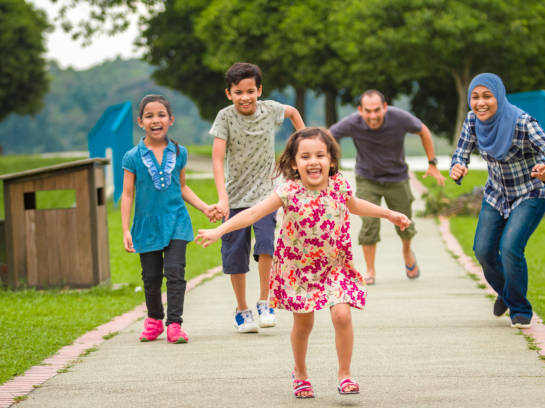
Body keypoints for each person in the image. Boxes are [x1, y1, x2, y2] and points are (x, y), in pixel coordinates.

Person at [196, 127, 410, 398]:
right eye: (305, 156)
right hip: (300, 272)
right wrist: (219, 231)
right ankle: (300, 372)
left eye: (320, 155)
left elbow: (355, 205)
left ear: (331, 161)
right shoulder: (288, 192)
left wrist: (389, 214)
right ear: (294, 164)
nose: (313, 161)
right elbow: (252, 213)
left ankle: (345, 374)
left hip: (335, 267)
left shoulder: (339, 185)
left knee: (342, 314)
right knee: (303, 325)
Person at [450, 73, 545, 329]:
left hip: (531, 192)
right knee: (482, 250)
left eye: (487, 96)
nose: (480, 103)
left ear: (499, 97)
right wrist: (457, 166)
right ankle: (507, 294)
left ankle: (520, 310)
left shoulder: (522, 123)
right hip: (497, 193)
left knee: (511, 247)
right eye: (475, 97)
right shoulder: (472, 120)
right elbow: (461, 152)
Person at [210, 62, 305, 333]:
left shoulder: (270, 110)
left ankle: (266, 301)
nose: (245, 97)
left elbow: (293, 112)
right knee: (235, 257)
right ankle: (242, 310)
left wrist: (304, 142)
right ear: (229, 93)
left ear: (259, 90)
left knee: (266, 245)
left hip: (266, 194)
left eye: (250, 91)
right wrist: (222, 198)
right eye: (238, 92)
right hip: (235, 197)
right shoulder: (225, 117)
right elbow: (217, 160)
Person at [121, 94, 216, 343]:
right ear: (140, 122)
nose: (156, 120)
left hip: (176, 221)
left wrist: (205, 208)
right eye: (149, 116)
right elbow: (127, 194)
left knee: (175, 273)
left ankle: (174, 324)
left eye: (161, 115)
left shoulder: (179, 152)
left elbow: (182, 187)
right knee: (151, 277)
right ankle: (154, 320)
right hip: (146, 225)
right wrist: (125, 229)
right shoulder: (132, 157)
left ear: (171, 120)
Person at [329, 90, 445, 285]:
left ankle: (407, 252)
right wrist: (329, 166)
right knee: (369, 225)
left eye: (377, 110)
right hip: (367, 178)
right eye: (368, 111)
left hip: (397, 178)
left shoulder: (399, 118)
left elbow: (423, 130)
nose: (372, 116)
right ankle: (370, 270)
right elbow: (329, 136)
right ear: (360, 110)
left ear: (385, 107)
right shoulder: (352, 123)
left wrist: (432, 163)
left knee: (404, 221)